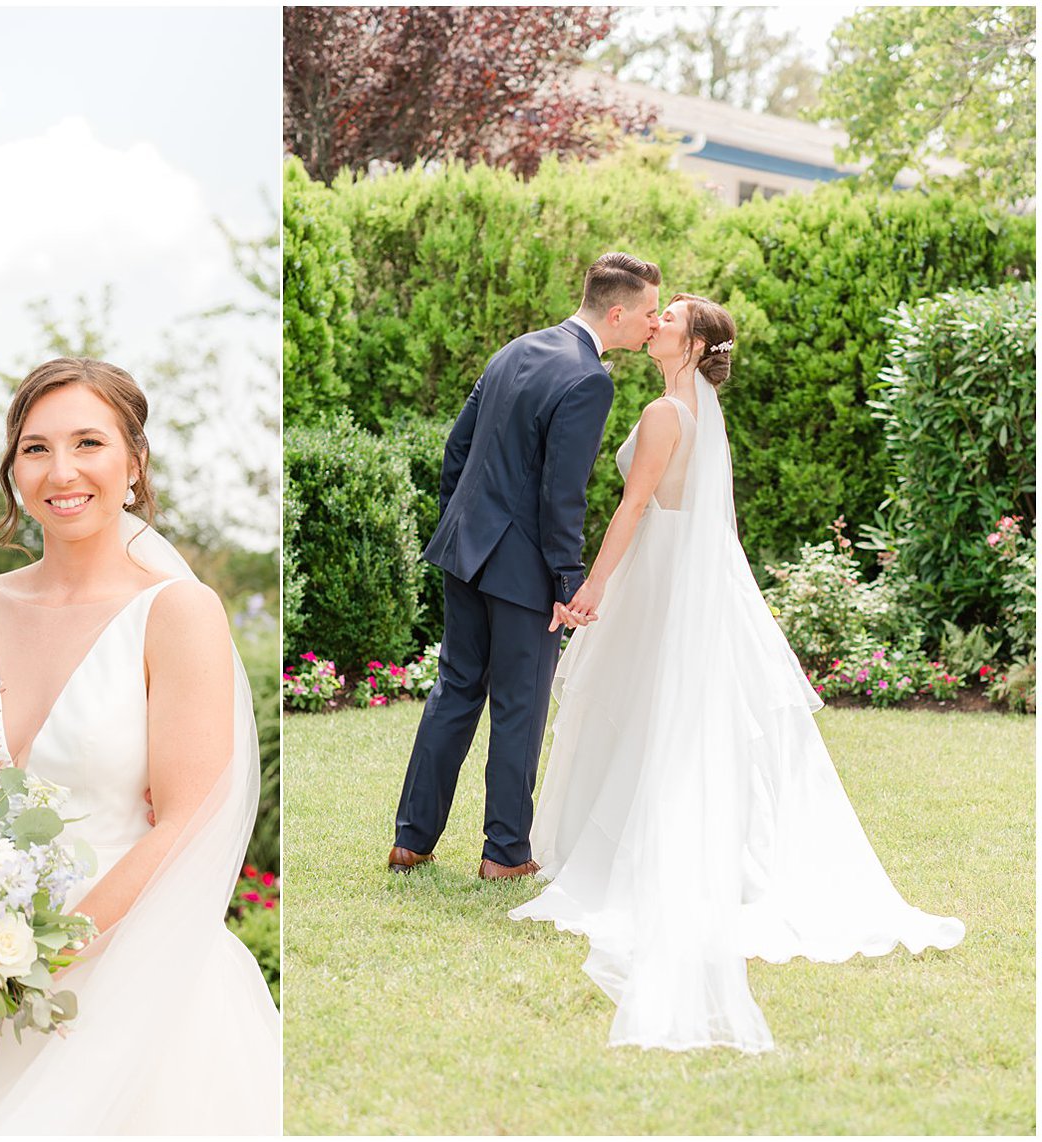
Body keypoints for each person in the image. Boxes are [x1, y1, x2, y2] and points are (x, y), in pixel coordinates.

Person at [509, 294, 965, 1052]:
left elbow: (632, 509)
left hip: (661, 575)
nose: (656, 320)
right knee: (672, 715)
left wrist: (589, 587)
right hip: (694, 573)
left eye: (672, 316)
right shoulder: (697, 410)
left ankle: (648, 852)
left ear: (692, 343)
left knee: (652, 712)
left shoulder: (666, 415)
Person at [0, 357, 281, 1134]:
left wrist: (30, 970)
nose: (62, 470)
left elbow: (186, 823)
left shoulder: (178, 612)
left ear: (134, 463)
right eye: (36, 448)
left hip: (135, 989)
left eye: (89, 442)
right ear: (14, 468)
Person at [390, 252, 661, 879]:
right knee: (519, 707)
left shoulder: (518, 348)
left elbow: (458, 450)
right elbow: (561, 496)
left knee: (455, 691)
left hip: (466, 553)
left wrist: (463, 526)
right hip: (523, 573)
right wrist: (568, 583)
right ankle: (505, 854)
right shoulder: (591, 379)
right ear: (616, 312)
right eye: (649, 312)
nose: (652, 323)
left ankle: (411, 840)